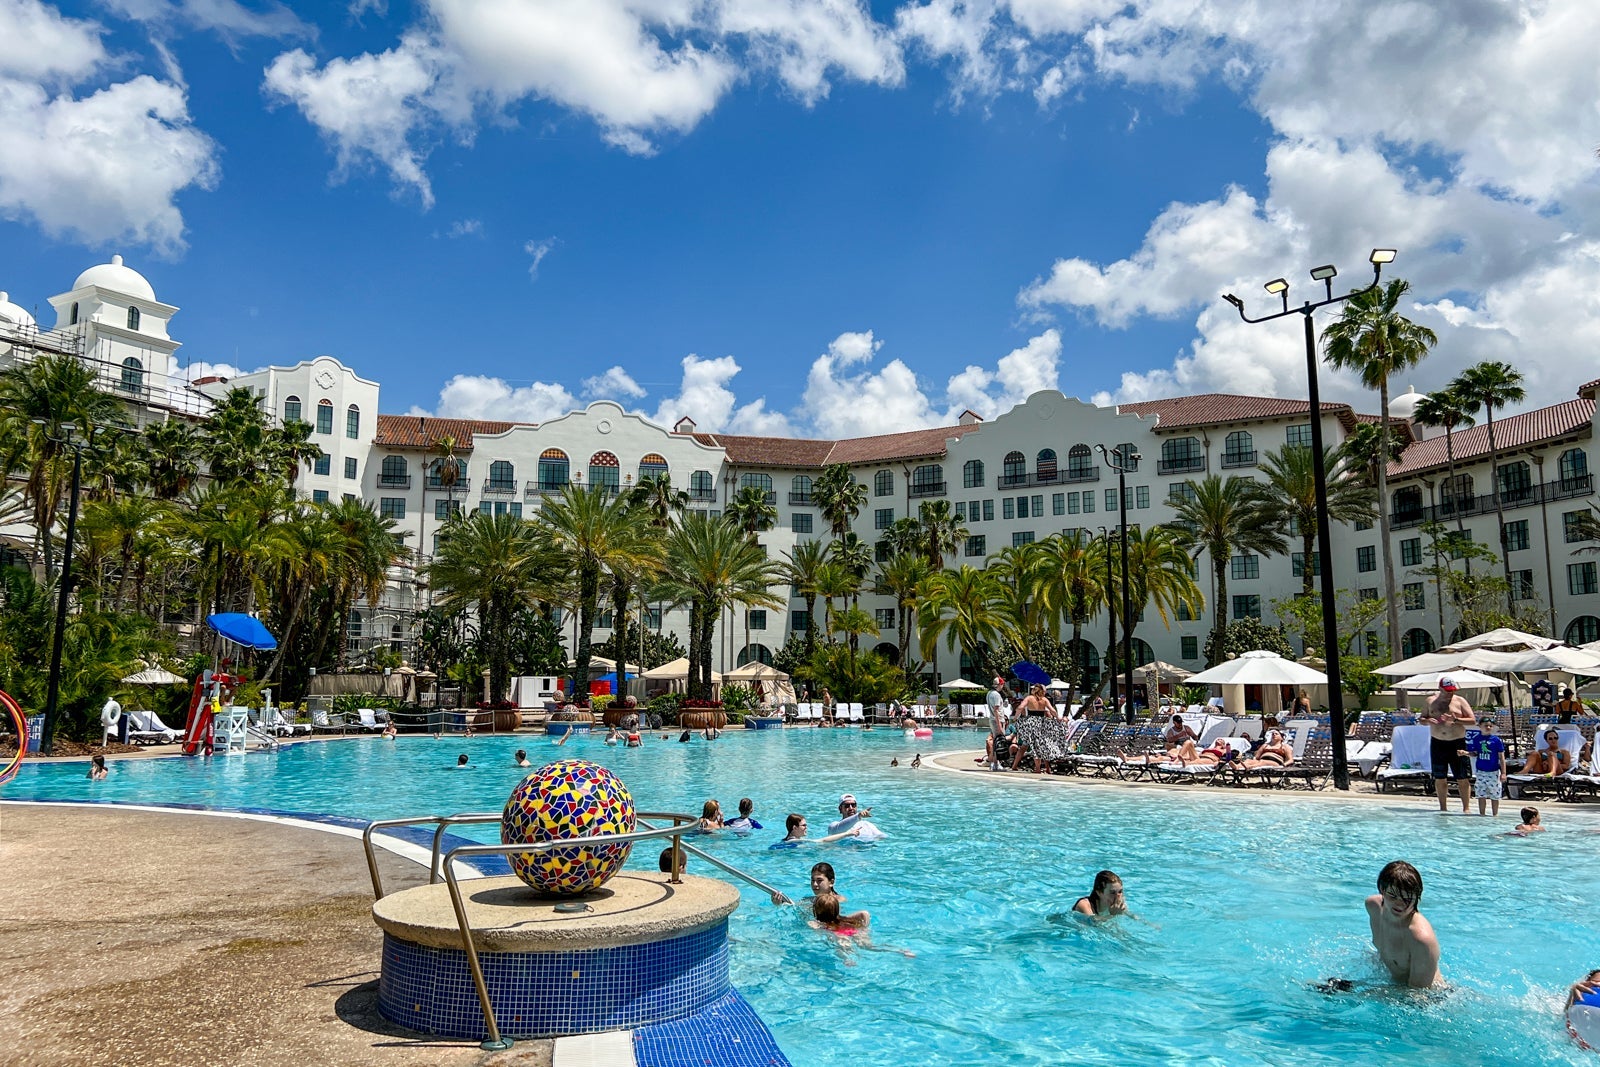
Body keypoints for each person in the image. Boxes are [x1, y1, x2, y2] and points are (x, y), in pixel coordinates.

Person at [1364, 860, 1441, 988]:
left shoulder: (1421, 939)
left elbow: (1416, 996)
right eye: (1393, 896)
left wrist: (1359, 991)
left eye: (1407, 899)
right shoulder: (1373, 907)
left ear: (1417, 897)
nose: (1400, 904)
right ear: (1382, 890)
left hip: (1432, 998)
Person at [1421, 676, 1475, 814]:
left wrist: (1455, 719)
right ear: (1440, 688)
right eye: (1447, 691)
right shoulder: (1430, 701)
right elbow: (1422, 718)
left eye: (1452, 690)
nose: (1450, 693)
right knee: (1440, 777)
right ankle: (1443, 808)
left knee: (1462, 777)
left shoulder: (1460, 701)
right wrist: (1427, 721)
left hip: (1457, 742)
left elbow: (1472, 720)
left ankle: (1466, 808)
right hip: (1438, 742)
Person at [1013, 683, 1069, 773]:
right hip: (1042, 723)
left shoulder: (1029, 698)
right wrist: (1058, 718)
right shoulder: (1044, 700)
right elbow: (1053, 710)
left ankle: (1035, 768)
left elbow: (1020, 707)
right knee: (1042, 744)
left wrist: (1015, 717)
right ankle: (1047, 768)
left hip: (1031, 723)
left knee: (1030, 746)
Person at [1472, 718, 1506, 817]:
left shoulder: (1496, 740)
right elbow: (1475, 753)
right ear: (1480, 726)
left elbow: (1502, 757)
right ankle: (1482, 814)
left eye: (1490, 726)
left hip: (1493, 771)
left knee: (1494, 795)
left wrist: (1503, 773)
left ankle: (1495, 814)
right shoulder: (1476, 739)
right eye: (1486, 725)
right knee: (1480, 794)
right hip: (1480, 771)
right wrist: (1465, 753)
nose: (1488, 727)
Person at [773, 813, 861, 846]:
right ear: (795, 827)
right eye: (803, 825)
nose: (806, 828)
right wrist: (847, 833)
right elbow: (822, 840)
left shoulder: (790, 841)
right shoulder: (793, 842)